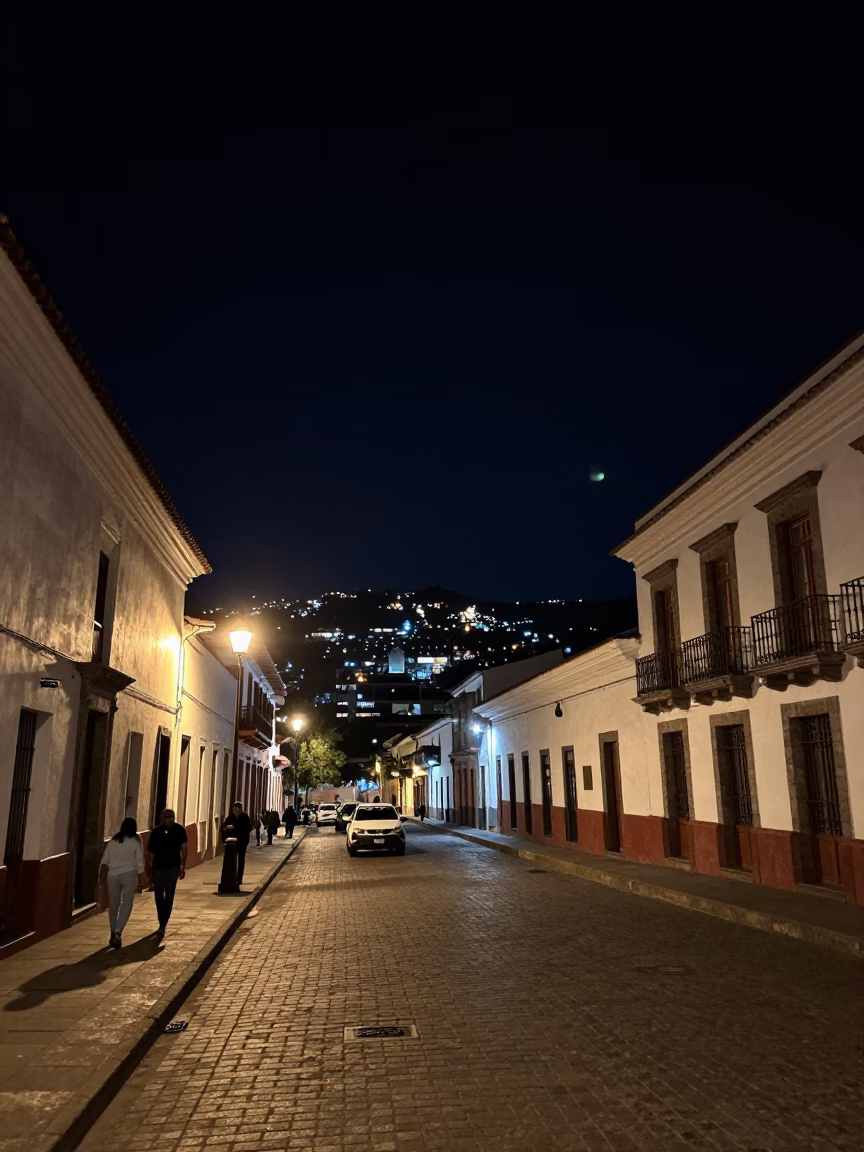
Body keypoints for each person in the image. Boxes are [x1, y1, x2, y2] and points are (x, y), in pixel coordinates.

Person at [100, 817, 146, 949]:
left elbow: (104, 861)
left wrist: (102, 878)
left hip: (112, 875)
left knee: (113, 905)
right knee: (127, 903)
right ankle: (118, 931)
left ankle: (113, 930)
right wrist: (142, 877)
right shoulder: (135, 842)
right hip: (129, 874)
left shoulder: (113, 842)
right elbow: (139, 862)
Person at [145, 809, 188, 941]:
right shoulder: (156, 832)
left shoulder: (180, 830)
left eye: (172, 817)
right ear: (161, 818)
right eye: (167, 817)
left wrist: (183, 866)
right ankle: (162, 921)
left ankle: (163, 924)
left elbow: (184, 849)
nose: (170, 819)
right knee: (158, 896)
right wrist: (149, 870)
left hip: (172, 868)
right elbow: (150, 853)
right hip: (158, 868)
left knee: (169, 896)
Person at [221, 801, 252, 883]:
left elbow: (247, 828)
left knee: (241, 859)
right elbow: (223, 827)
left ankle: (239, 878)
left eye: (236, 809)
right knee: (231, 859)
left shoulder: (245, 817)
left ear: (240, 809)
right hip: (231, 842)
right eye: (234, 809)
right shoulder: (230, 817)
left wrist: (234, 827)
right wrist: (226, 828)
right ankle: (231, 877)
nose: (235, 811)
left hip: (242, 841)